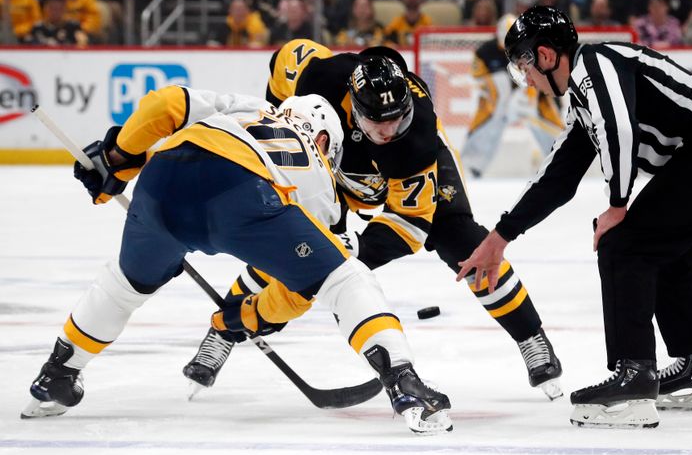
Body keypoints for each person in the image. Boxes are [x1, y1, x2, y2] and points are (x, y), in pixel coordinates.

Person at [23, 87, 453, 435]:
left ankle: (56, 375)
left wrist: (119, 158)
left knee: (124, 285)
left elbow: (164, 104)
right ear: (325, 139)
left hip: (162, 182)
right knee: (345, 279)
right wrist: (248, 314)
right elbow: (298, 293)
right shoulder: (321, 184)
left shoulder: (248, 108)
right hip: (243, 194)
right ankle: (402, 380)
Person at [457, 6, 692, 428]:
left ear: (544, 55)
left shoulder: (597, 63)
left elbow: (620, 129)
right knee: (670, 256)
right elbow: (556, 179)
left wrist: (617, 205)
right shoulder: (583, 100)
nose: (528, 81)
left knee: (623, 244)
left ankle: (633, 378)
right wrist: (498, 238)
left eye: (525, 66)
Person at [183, 41, 565, 401]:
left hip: (400, 179)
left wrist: (351, 253)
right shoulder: (319, 79)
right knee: (290, 239)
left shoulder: (414, 138)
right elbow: (287, 59)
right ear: (352, 106)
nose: (389, 132)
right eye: (378, 123)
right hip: (330, 161)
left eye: (398, 120)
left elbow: (409, 225)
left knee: (458, 237)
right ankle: (225, 329)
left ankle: (530, 336)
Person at [461, 14, 564, 179]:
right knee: (491, 115)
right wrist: (497, 90)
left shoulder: (532, 48)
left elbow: (543, 74)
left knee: (542, 119)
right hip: (498, 101)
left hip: (528, 94)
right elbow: (477, 77)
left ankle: (563, 159)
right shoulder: (484, 52)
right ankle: (473, 163)